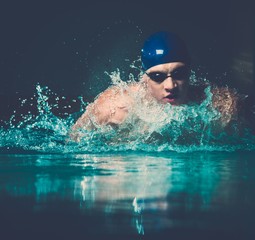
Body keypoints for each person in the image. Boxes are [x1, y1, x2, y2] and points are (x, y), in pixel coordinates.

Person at [70, 31, 246, 142]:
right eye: (157, 77)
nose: (170, 85)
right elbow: (73, 140)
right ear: (144, 78)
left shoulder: (221, 107)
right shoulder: (115, 107)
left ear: (190, 72)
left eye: (179, 73)